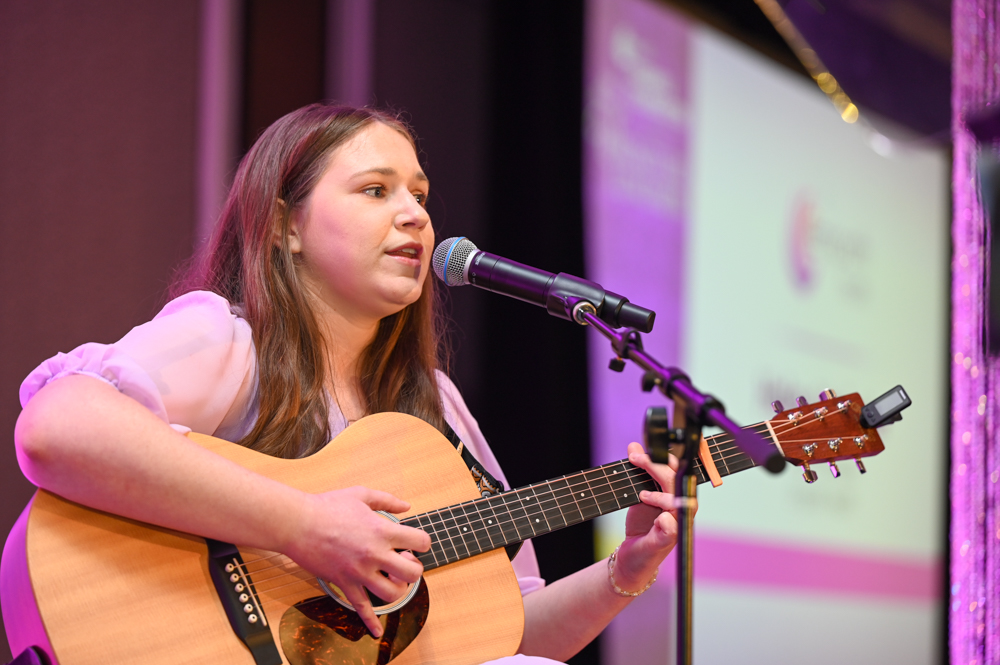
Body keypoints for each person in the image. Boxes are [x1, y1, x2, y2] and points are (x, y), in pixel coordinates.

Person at [14, 103, 684, 663]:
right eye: (376, 190)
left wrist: (623, 573)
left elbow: (503, 636)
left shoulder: (436, 405)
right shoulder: (227, 339)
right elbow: (56, 428)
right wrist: (305, 525)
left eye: (419, 196)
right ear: (285, 226)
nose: (416, 215)